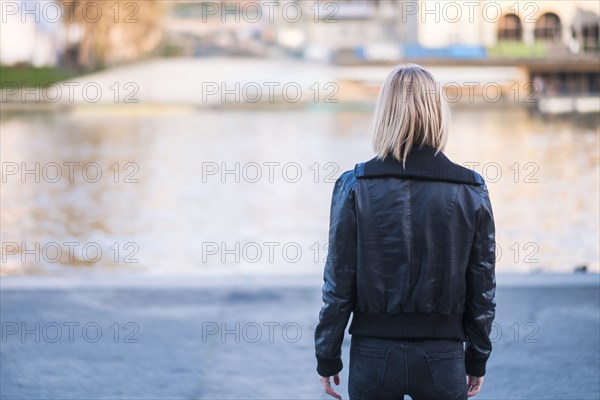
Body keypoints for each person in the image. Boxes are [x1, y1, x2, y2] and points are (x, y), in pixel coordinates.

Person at [314, 64, 496, 400]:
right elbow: (481, 287)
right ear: (438, 113)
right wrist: (477, 357)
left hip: (373, 355)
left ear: (384, 114)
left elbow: (338, 283)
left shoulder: (354, 185)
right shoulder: (472, 189)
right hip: (443, 355)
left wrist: (328, 354)